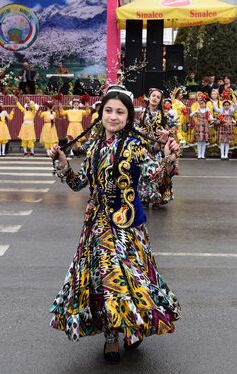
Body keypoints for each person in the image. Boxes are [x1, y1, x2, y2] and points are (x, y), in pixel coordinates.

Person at [49, 86, 181, 363]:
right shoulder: (94, 147)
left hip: (129, 226)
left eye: (120, 112)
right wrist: (62, 163)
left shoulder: (135, 146)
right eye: (108, 110)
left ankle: (132, 325)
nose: (113, 116)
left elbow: (154, 178)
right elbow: (78, 184)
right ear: (101, 113)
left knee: (132, 279)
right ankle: (111, 335)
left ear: (129, 116)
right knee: (105, 281)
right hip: (97, 227)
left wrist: (168, 160)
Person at [137, 88, 175, 207]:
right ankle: (144, 197)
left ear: (160, 101)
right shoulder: (143, 113)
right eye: (153, 96)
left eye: (158, 97)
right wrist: (138, 130)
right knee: (144, 172)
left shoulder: (164, 114)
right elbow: (138, 127)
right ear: (149, 97)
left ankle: (157, 199)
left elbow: (173, 129)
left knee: (158, 172)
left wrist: (167, 132)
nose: (155, 98)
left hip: (159, 147)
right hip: (145, 146)